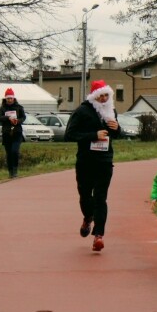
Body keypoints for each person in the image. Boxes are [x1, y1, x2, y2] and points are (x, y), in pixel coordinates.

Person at [63, 80, 121, 252]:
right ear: (94, 96)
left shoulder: (111, 111)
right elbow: (69, 135)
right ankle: (88, 217)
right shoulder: (82, 111)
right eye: (100, 96)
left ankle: (99, 235)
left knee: (100, 198)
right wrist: (93, 135)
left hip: (104, 161)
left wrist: (117, 128)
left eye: (106, 95)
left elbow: (116, 134)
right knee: (85, 196)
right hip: (85, 161)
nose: (104, 99)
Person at [0, 88, 26, 178]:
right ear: (5, 99)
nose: (9, 100)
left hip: (17, 132)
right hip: (6, 133)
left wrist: (18, 121)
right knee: (8, 153)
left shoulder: (19, 107)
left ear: (13, 98)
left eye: (11, 98)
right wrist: (7, 118)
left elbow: (23, 117)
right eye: (8, 98)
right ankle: (10, 171)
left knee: (14, 151)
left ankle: (15, 169)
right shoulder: (2, 108)